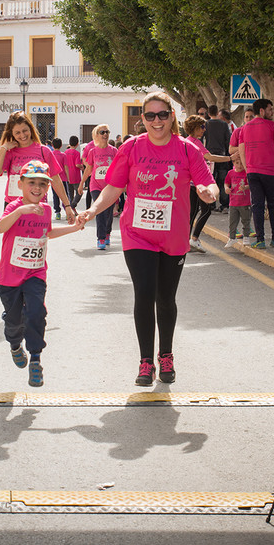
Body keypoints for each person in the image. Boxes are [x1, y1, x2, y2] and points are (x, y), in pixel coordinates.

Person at [77, 92, 218, 386]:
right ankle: (145, 362)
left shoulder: (187, 149)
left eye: (163, 115)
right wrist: (91, 210)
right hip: (137, 233)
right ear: (142, 119)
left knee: (165, 298)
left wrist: (208, 192)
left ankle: (165, 355)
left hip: (174, 235)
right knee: (144, 293)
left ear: (172, 117)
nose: (157, 121)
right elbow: (113, 188)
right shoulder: (131, 148)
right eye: (150, 115)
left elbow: (207, 181)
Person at [0, 160, 84, 387]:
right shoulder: (14, 207)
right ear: (21, 184)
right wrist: (20, 211)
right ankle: (15, 344)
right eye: (32, 183)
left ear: (48, 187)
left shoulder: (45, 210)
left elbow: (48, 233)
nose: (37, 188)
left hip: (35, 273)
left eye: (43, 184)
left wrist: (74, 227)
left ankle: (35, 358)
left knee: (36, 312)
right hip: (10, 276)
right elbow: (0, 228)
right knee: (14, 321)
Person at [0, 111, 76, 220]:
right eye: (17, 133)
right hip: (13, 207)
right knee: (12, 238)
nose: (22, 135)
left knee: (37, 237)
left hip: (37, 207)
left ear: (30, 129)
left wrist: (67, 205)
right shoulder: (9, 151)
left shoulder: (43, 151)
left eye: (25, 130)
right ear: (11, 134)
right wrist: (4, 147)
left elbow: (56, 180)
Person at [229, 98, 274, 249]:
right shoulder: (272, 125)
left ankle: (260, 239)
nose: (272, 112)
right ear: (261, 111)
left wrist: (247, 168)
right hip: (270, 172)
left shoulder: (245, 128)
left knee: (257, 205)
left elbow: (241, 149)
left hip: (253, 172)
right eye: (270, 109)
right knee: (273, 205)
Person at [184, 115, 232, 253]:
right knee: (207, 210)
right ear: (195, 128)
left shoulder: (187, 141)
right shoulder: (195, 142)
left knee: (192, 213)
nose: (204, 130)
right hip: (200, 183)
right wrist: (229, 158)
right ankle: (194, 239)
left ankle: (187, 241)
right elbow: (210, 157)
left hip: (191, 182)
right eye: (202, 127)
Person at [81, 124, 118, 249]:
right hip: (96, 185)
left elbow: (119, 169)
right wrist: (81, 183)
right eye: (102, 132)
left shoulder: (114, 151)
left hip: (110, 187)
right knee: (100, 211)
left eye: (107, 132)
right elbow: (89, 169)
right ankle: (101, 238)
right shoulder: (93, 151)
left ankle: (107, 232)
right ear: (97, 135)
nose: (105, 134)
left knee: (108, 212)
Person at [204, 105, 232, 212]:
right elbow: (227, 140)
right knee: (223, 180)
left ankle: (211, 204)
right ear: (217, 112)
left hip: (210, 157)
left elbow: (203, 139)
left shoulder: (206, 124)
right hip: (222, 156)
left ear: (209, 113)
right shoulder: (224, 124)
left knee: (211, 180)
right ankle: (224, 205)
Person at [223, 156, 251, 248]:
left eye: (242, 163)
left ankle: (246, 237)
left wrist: (245, 187)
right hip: (233, 203)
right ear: (233, 163)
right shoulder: (230, 173)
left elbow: (250, 184)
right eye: (237, 163)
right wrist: (226, 188)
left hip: (245, 203)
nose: (239, 166)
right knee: (232, 222)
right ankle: (232, 238)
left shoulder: (246, 173)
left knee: (246, 221)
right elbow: (226, 182)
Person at [64, 136, 83, 209]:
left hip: (67, 176)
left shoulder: (65, 152)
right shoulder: (77, 153)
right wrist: (81, 167)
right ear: (77, 144)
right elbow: (77, 164)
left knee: (70, 194)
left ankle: (71, 210)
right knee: (79, 192)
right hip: (75, 176)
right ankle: (73, 205)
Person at [49, 138, 67, 217]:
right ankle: (67, 211)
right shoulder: (63, 155)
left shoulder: (50, 154)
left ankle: (57, 212)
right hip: (63, 179)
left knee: (55, 195)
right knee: (65, 195)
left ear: (52, 145)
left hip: (53, 179)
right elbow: (66, 167)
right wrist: (68, 178)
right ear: (61, 145)